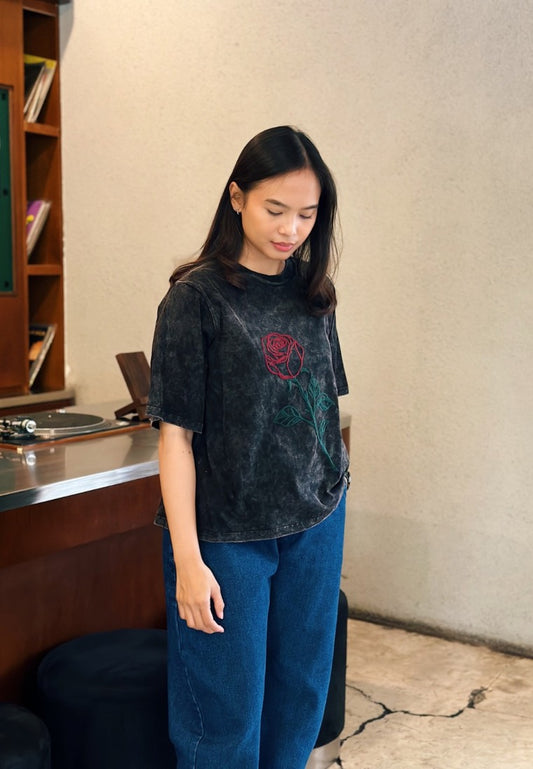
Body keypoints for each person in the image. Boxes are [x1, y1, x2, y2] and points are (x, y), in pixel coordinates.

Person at [147, 125, 350, 769]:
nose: (291, 229)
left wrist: (335, 488)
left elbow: (322, 408)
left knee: (300, 695)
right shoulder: (195, 298)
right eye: (275, 209)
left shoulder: (313, 292)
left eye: (307, 215)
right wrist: (187, 560)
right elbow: (175, 439)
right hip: (227, 535)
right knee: (225, 714)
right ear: (236, 198)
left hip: (315, 521)